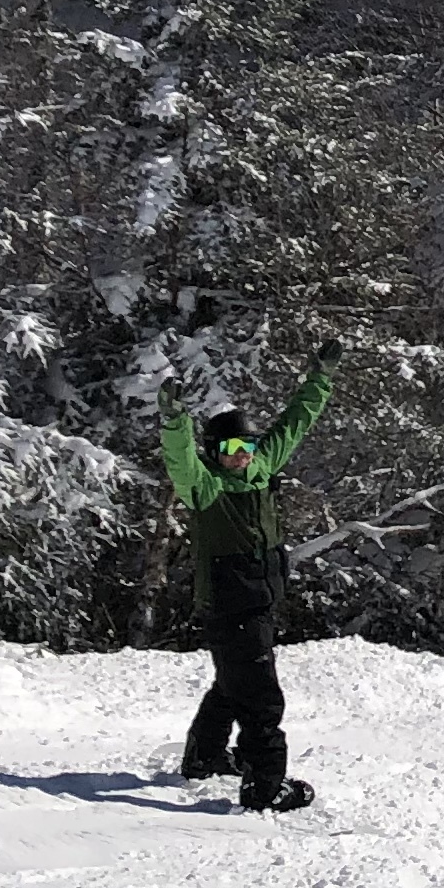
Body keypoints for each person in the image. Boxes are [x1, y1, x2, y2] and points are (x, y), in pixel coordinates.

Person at [163, 331, 344, 811]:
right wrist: (175, 420)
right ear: (215, 452)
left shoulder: (261, 469)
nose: (240, 454)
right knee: (261, 699)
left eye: (245, 444)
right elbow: (180, 462)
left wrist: (320, 378)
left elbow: (295, 422)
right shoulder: (206, 489)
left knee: (232, 682)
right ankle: (264, 786)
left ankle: (203, 757)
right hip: (228, 604)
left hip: (259, 599)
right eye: (229, 448)